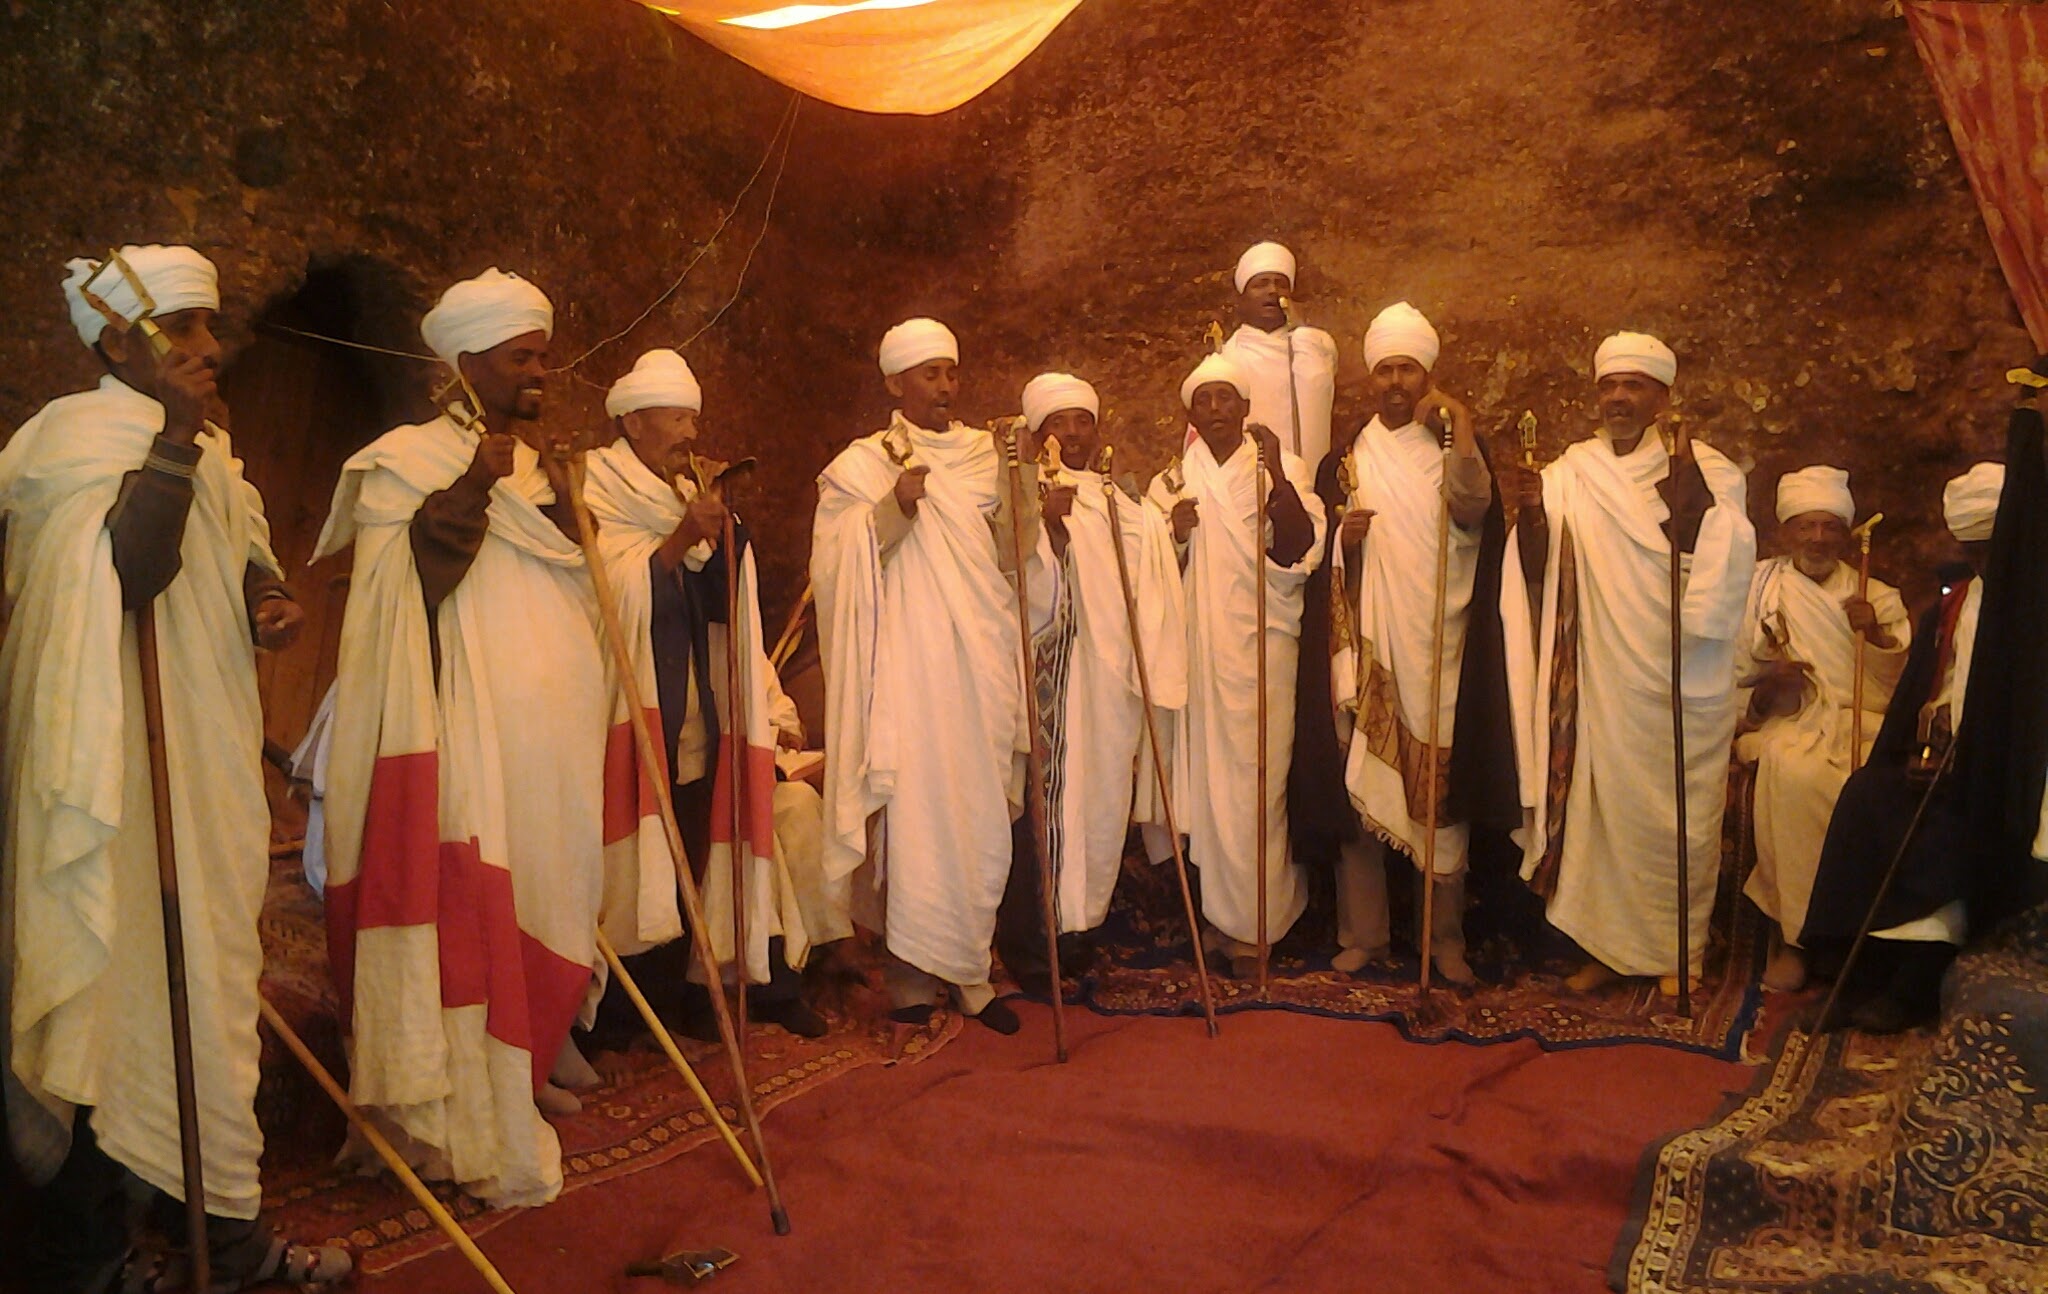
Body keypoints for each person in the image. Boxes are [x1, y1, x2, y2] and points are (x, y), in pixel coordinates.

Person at [0, 245, 347, 1290]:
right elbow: (132, 571)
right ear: (117, 341)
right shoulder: (67, 442)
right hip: (106, 773)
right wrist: (178, 439)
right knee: (109, 983)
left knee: (205, 981)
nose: (206, 347)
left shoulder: (210, 454)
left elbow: (235, 557)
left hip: (195, 758)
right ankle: (91, 1258)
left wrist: (264, 599)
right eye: (182, 327)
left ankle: (224, 1236)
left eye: (208, 325)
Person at [312, 269, 677, 1207]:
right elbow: (405, 592)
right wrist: (474, 485)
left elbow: (572, 574)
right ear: (468, 362)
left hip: (552, 730)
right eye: (523, 357)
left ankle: (532, 1052)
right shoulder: (403, 460)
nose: (540, 372)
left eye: (542, 357)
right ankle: (481, 1078)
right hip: (471, 729)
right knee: (485, 894)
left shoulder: (540, 466)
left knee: (556, 880)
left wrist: (563, 505)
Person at [812, 318, 1057, 1034]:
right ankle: (912, 979)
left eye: (951, 372)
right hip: (911, 668)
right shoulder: (863, 464)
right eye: (930, 374)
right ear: (895, 383)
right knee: (918, 812)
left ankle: (971, 971)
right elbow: (833, 566)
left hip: (979, 660)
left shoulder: (985, 454)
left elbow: (1012, 556)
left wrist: (1021, 481)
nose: (946, 386)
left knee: (977, 810)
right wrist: (894, 508)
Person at [582, 347, 830, 1039]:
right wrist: (680, 539)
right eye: (677, 418)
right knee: (641, 860)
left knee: (705, 849)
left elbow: (723, 600)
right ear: (633, 422)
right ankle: (628, 1016)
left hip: (699, 710)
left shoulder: (681, 491)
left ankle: (710, 990)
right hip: (635, 710)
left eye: (694, 417)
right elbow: (605, 591)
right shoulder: (597, 487)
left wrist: (722, 535)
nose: (691, 432)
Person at [1501, 332, 1756, 996]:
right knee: (1603, 816)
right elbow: (1536, 569)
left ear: (1662, 397)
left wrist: (1686, 487)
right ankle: (1609, 949)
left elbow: (1721, 554)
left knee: (1673, 818)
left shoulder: (1706, 468)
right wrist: (1531, 514)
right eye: (1609, 385)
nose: (1618, 397)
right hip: (1600, 676)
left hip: (1677, 673)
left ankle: (1678, 952)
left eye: (1633, 386)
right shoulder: (1572, 472)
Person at [1327, 304, 1504, 985]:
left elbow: (1475, 512)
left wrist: (1462, 426)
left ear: (1427, 375)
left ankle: (1445, 940)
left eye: (1408, 369)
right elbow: (1320, 566)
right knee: (1364, 777)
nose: (1396, 382)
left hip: (1441, 641)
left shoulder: (1450, 447)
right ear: (1371, 378)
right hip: (1373, 640)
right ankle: (1364, 935)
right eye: (1385, 370)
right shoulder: (1348, 457)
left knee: (1438, 793)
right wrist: (1344, 544)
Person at [992, 374, 1187, 992]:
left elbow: (1147, 568)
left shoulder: (1115, 499)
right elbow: (1013, 575)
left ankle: (1079, 931)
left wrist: (1169, 535)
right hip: (1058, 681)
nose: (1073, 434)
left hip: (1110, 683)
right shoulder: (1024, 491)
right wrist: (1047, 528)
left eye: (1083, 421)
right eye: (1059, 423)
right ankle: (1034, 947)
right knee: (1049, 809)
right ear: (1038, 433)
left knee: (1100, 808)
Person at [1800, 464, 2000, 1030]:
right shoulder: (1956, 604)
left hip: (2002, 773)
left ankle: (1914, 981)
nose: (1984, 564)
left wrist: (1970, 758)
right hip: (1945, 754)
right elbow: (1926, 690)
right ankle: (1847, 967)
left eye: (1991, 550)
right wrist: (1919, 749)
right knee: (1867, 794)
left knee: (1942, 824)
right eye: (1974, 552)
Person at [1148, 353, 1326, 978]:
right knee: (1214, 790)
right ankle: (1226, 923)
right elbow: (1147, 574)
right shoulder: (1173, 481)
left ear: (1247, 408)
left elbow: (1300, 549)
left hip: (1265, 651)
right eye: (1205, 399)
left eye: (1227, 397)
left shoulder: (1284, 467)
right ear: (1191, 414)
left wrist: (1275, 474)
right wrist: (1172, 536)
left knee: (1259, 787)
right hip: (1203, 657)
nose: (1217, 408)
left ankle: (1261, 926)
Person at [1735, 466, 1909, 992]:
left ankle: (1863, 942)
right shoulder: (1755, 590)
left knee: (1875, 778)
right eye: (1805, 526)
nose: (1817, 538)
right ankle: (1795, 938)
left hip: (1862, 721)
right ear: (1785, 531)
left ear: (1846, 534)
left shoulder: (1875, 596)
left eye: (1829, 526)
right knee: (1793, 772)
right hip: (1788, 722)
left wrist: (1875, 636)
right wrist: (1769, 687)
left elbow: (1900, 686)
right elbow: (1726, 677)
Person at [1216, 241, 1339, 467]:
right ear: (1242, 297)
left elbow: (1318, 386)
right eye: (1261, 284)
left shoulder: (1317, 343)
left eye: (1281, 284)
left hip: (1309, 472)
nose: (1273, 291)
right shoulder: (1228, 357)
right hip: (1250, 474)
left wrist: (1301, 333)